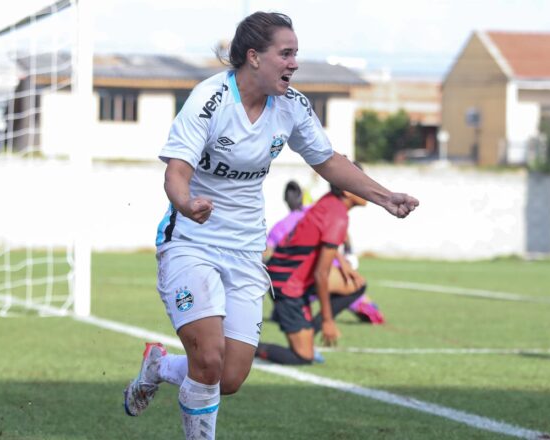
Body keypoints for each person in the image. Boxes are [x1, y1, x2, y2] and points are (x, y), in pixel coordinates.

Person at [122, 12, 419, 440]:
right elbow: (176, 171)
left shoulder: (292, 106)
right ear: (254, 57)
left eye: (296, 53)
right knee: (208, 358)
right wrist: (186, 203)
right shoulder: (210, 99)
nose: (294, 63)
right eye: (286, 53)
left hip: (245, 252)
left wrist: (384, 195)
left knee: (230, 377)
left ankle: (158, 366)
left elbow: (329, 161)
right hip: (192, 242)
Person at [256, 178, 371, 365]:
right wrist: (327, 320)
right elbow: (321, 274)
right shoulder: (338, 216)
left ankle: (308, 328)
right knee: (303, 356)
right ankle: (246, 348)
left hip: (298, 275)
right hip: (286, 283)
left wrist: (344, 264)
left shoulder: (330, 200)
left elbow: (324, 237)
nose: (369, 189)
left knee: (357, 284)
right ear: (348, 192)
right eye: (364, 183)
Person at [265, 180, 384, 325]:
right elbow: (340, 236)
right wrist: (348, 255)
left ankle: (296, 312)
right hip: (323, 274)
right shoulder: (316, 210)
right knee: (360, 292)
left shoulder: (280, 226)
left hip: (294, 280)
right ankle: (335, 314)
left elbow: (266, 255)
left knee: (290, 309)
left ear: (285, 201)